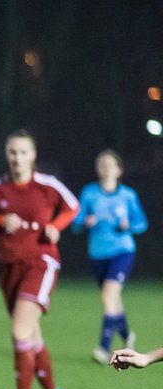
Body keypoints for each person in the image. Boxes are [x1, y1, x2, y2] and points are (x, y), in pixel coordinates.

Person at [0, 130, 78, 389]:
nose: (17, 158)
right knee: (31, 336)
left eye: (23, 152)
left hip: (41, 263)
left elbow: (72, 206)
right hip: (8, 267)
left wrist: (56, 225)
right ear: (7, 155)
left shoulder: (47, 185)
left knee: (20, 332)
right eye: (12, 153)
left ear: (33, 155)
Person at [72, 150, 149, 365]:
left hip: (123, 251)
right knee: (112, 300)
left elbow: (142, 223)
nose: (105, 167)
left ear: (119, 170)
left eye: (110, 164)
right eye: (101, 164)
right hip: (97, 254)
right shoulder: (89, 193)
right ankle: (127, 336)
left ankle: (104, 348)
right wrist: (83, 222)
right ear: (97, 169)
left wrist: (129, 225)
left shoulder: (128, 195)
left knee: (108, 296)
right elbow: (76, 223)